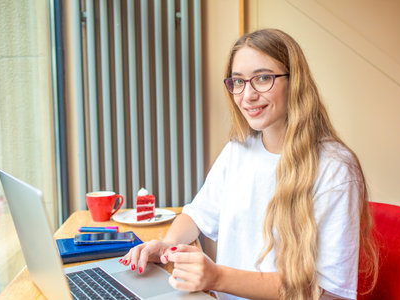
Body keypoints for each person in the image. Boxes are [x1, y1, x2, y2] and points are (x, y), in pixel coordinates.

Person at [120, 28, 378, 300]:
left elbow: (327, 292)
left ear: (295, 81)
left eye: (263, 78)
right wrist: (166, 246)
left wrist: (217, 277)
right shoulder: (238, 150)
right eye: (238, 82)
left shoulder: (335, 168)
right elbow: (198, 214)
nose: (248, 95)